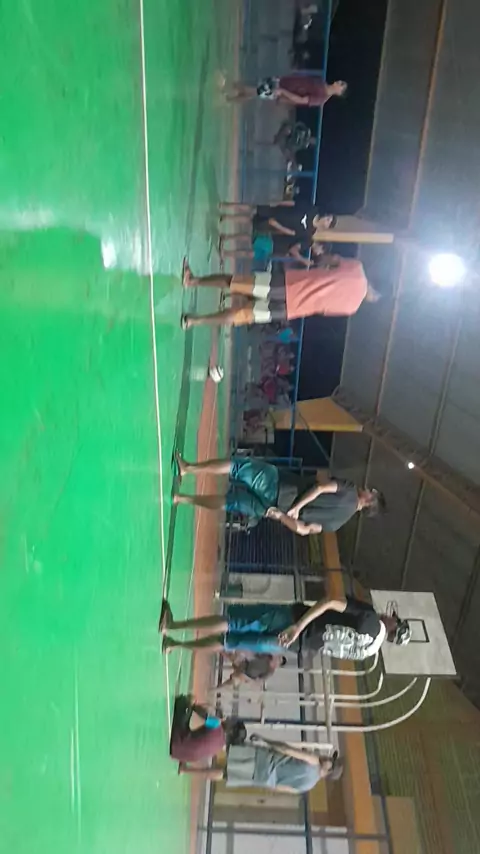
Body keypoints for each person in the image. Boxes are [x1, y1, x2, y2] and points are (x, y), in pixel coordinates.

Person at [173, 452, 385, 535]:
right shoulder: (338, 523)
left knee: (237, 467)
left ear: (368, 501)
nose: (367, 488)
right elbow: (304, 530)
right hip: (274, 510)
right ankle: (182, 499)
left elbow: (320, 488)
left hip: (281, 486)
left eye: (371, 491)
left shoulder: (349, 489)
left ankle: (188, 468)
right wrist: (283, 516)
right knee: (230, 502)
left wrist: (298, 506)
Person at [160, 595, 411, 660]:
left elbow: (329, 601)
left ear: (393, 626)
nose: (389, 615)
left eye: (394, 619)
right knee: (230, 642)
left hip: (294, 622)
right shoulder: (368, 651)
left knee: (235, 623)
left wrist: (299, 625)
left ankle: (173, 625)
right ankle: (175, 645)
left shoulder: (370, 618)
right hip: (296, 646)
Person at [180, 256, 380, 330]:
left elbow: (331, 259)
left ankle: (192, 281)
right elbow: (323, 311)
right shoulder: (352, 308)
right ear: (375, 297)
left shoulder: (357, 268)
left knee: (235, 282)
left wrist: (320, 265)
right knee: (241, 315)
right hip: (291, 310)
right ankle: (194, 321)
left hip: (289, 285)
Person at [178, 736, 343, 793]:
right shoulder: (308, 786)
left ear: (329, 770)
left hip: (263, 759)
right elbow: (280, 788)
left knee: (227, 749)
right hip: (262, 778)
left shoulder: (314, 761)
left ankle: (189, 748)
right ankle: (185, 770)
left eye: (331, 761)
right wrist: (265, 780)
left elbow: (286, 749)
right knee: (224, 774)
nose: (327, 757)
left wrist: (265, 740)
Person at [169, 694, 247, 762]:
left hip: (177, 741)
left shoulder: (217, 724)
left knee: (184, 702)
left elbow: (199, 713)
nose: (229, 719)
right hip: (177, 754)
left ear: (232, 731)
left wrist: (193, 703)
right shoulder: (219, 748)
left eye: (232, 722)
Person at [226, 76, 347, 107]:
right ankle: (229, 98)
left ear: (339, 93)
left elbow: (301, 100)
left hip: (281, 90)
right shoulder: (322, 82)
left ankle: (228, 86)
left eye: (341, 85)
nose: (339, 82)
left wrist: (283, 93)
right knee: (255, 91)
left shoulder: (321, 98)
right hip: (283, 81)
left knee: (255, 90)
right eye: (341, 81)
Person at [219, 652, 288, 688]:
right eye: (278, 657)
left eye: (279, 660)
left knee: (234, 680)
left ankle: (217, 689)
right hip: (246, 663)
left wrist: (248, 679)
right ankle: (219, 649)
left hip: (247, 675)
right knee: (234, 657)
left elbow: (258, 681)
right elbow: (256, 655)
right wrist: (245, 656)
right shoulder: (268, 656)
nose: (277, 659)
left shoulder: (270, 672)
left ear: (278, 665)